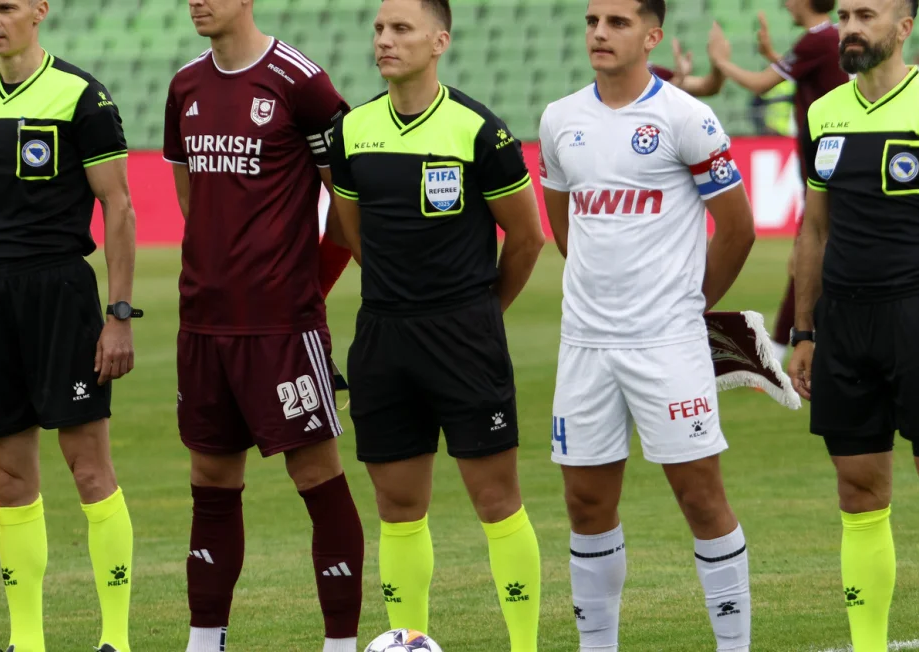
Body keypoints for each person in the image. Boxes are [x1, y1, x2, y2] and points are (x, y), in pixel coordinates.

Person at [537, 1, 759, 650]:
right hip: (584, 344)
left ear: (652, 35)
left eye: (618, 22)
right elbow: (563, 221)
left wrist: (688, 305)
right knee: (584, 505)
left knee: (699, 498)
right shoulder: (559, 119)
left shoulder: (685, 118)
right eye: (592, 21)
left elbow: (738, 228)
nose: (600, 33)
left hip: (667, 344)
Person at [327, 0, 546, 649]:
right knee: (397, 507)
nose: (385, 41)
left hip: (464, 338)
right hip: (383, 338)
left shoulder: (478, 131)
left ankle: (524, 645)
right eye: (378, 29)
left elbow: (529, 236)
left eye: (401, 29)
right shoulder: (352, 131)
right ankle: (407, 639)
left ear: (439, 40)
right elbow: (352, 230)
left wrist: (477, 312)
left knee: (495, 501)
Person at [0, 1, 138, 651]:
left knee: (88, 468)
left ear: (39, 11)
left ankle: (116, 639)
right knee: (8, 478)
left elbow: (119, 208)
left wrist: (119, 315)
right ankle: (27, 641)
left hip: (61, 294)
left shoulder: (81, 96)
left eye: (5, 7)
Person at [786, 0, 919, 649]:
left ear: (901, 29)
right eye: (844, 13)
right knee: (857, 488)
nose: (849, 26)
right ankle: (867, 643)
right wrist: (803, 332)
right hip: (842, 325)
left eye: (865, 14)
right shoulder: (825, 113)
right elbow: (813, 230)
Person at [162, 0, 362, 650]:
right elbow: (190, 195)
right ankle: (204, 641)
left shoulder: (300, 82)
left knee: (316, 477)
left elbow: (345, 206)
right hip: (204, 325)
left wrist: (309, 286)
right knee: (211, 481)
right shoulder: (185, 86)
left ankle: (337, 643)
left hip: (281, 326)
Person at [679, 0, 845, 362]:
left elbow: (760, 83)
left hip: (828, 172)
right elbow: (807, 77)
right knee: (811, 257)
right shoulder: (823, 40)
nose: (785, 3)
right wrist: (773, 54)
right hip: (823, 169)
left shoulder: (816, 41)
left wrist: (721, 61)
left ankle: (784, 349)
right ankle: (800, 344)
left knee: (805, 257)